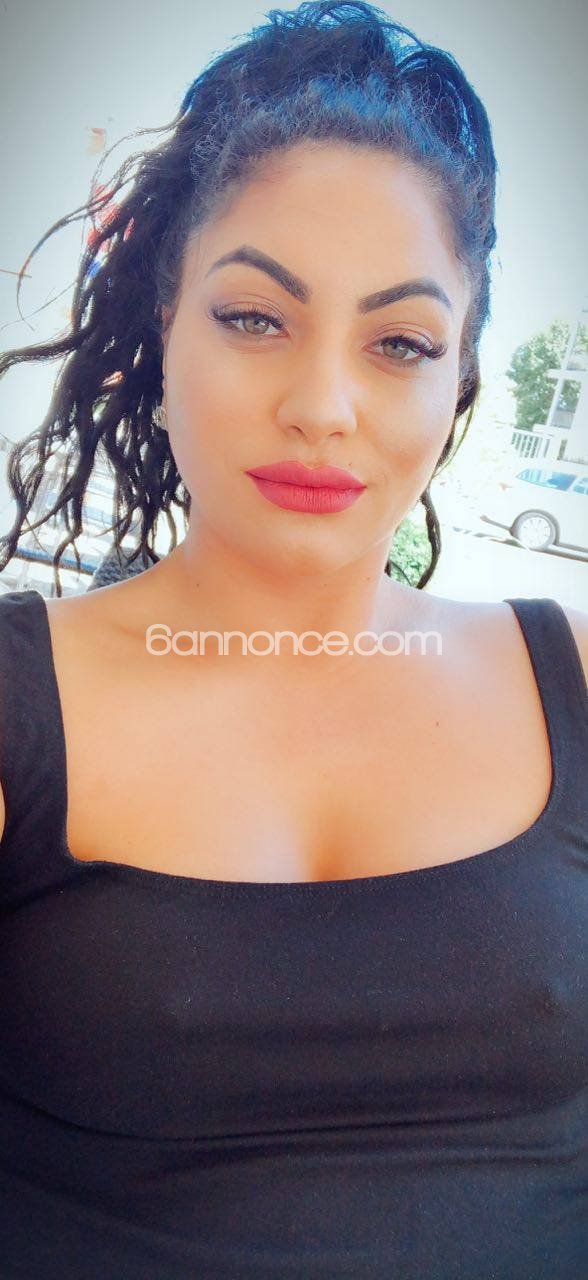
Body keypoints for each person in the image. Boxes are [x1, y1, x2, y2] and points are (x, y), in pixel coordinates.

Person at [0, 2, 586, 1276]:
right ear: (163, 326)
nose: (323, 405)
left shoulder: (575, 680)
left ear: (459, 382)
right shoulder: (15, 698)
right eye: (256, 317)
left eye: (401, 342)